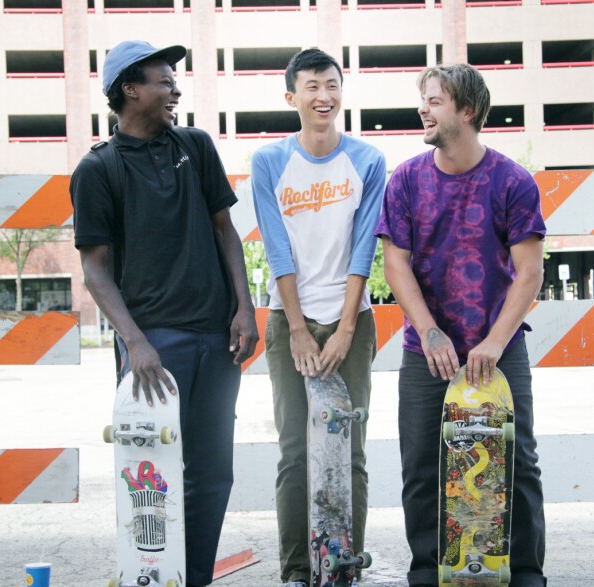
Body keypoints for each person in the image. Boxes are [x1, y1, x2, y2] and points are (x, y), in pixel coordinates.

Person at [69, 40, 259, 587]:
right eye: (163, 80)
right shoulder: (97, 170)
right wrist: (135, 342)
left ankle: (193, 578)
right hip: (155, 344)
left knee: (212, 474)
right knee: (151, 478)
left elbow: (226, 231)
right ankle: (154, 576)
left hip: (217, 338)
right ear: (130, 89)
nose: (175, 89)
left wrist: (243, 308)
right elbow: (95, 271)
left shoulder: (196, 146)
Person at [375, 64, 547, 587]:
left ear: (467, 110)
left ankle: (525, 575)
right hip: (425, 349)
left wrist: (495, 342)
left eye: (434, 101)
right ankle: (428, 573)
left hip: (499, 348)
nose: (422, 109)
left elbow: (530, 272)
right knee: (423, 466)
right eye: (423, 100)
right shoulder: (405, 179)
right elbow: (395, 263)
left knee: (517, 464)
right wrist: (429, 331)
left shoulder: (512, 181)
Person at [250, 48, 387, 587]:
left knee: (351, 446)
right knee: (295, 449)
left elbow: (364, 249)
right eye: (311, 86)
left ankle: (343, 568)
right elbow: (276, 247)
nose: (323, 95)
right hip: (290, 324)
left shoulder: (368, 161)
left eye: (331, 85)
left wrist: (347, 328)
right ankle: (297, 572)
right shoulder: (269, 162)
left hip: (352, 319)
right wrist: (301, 329)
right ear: (292, 98)